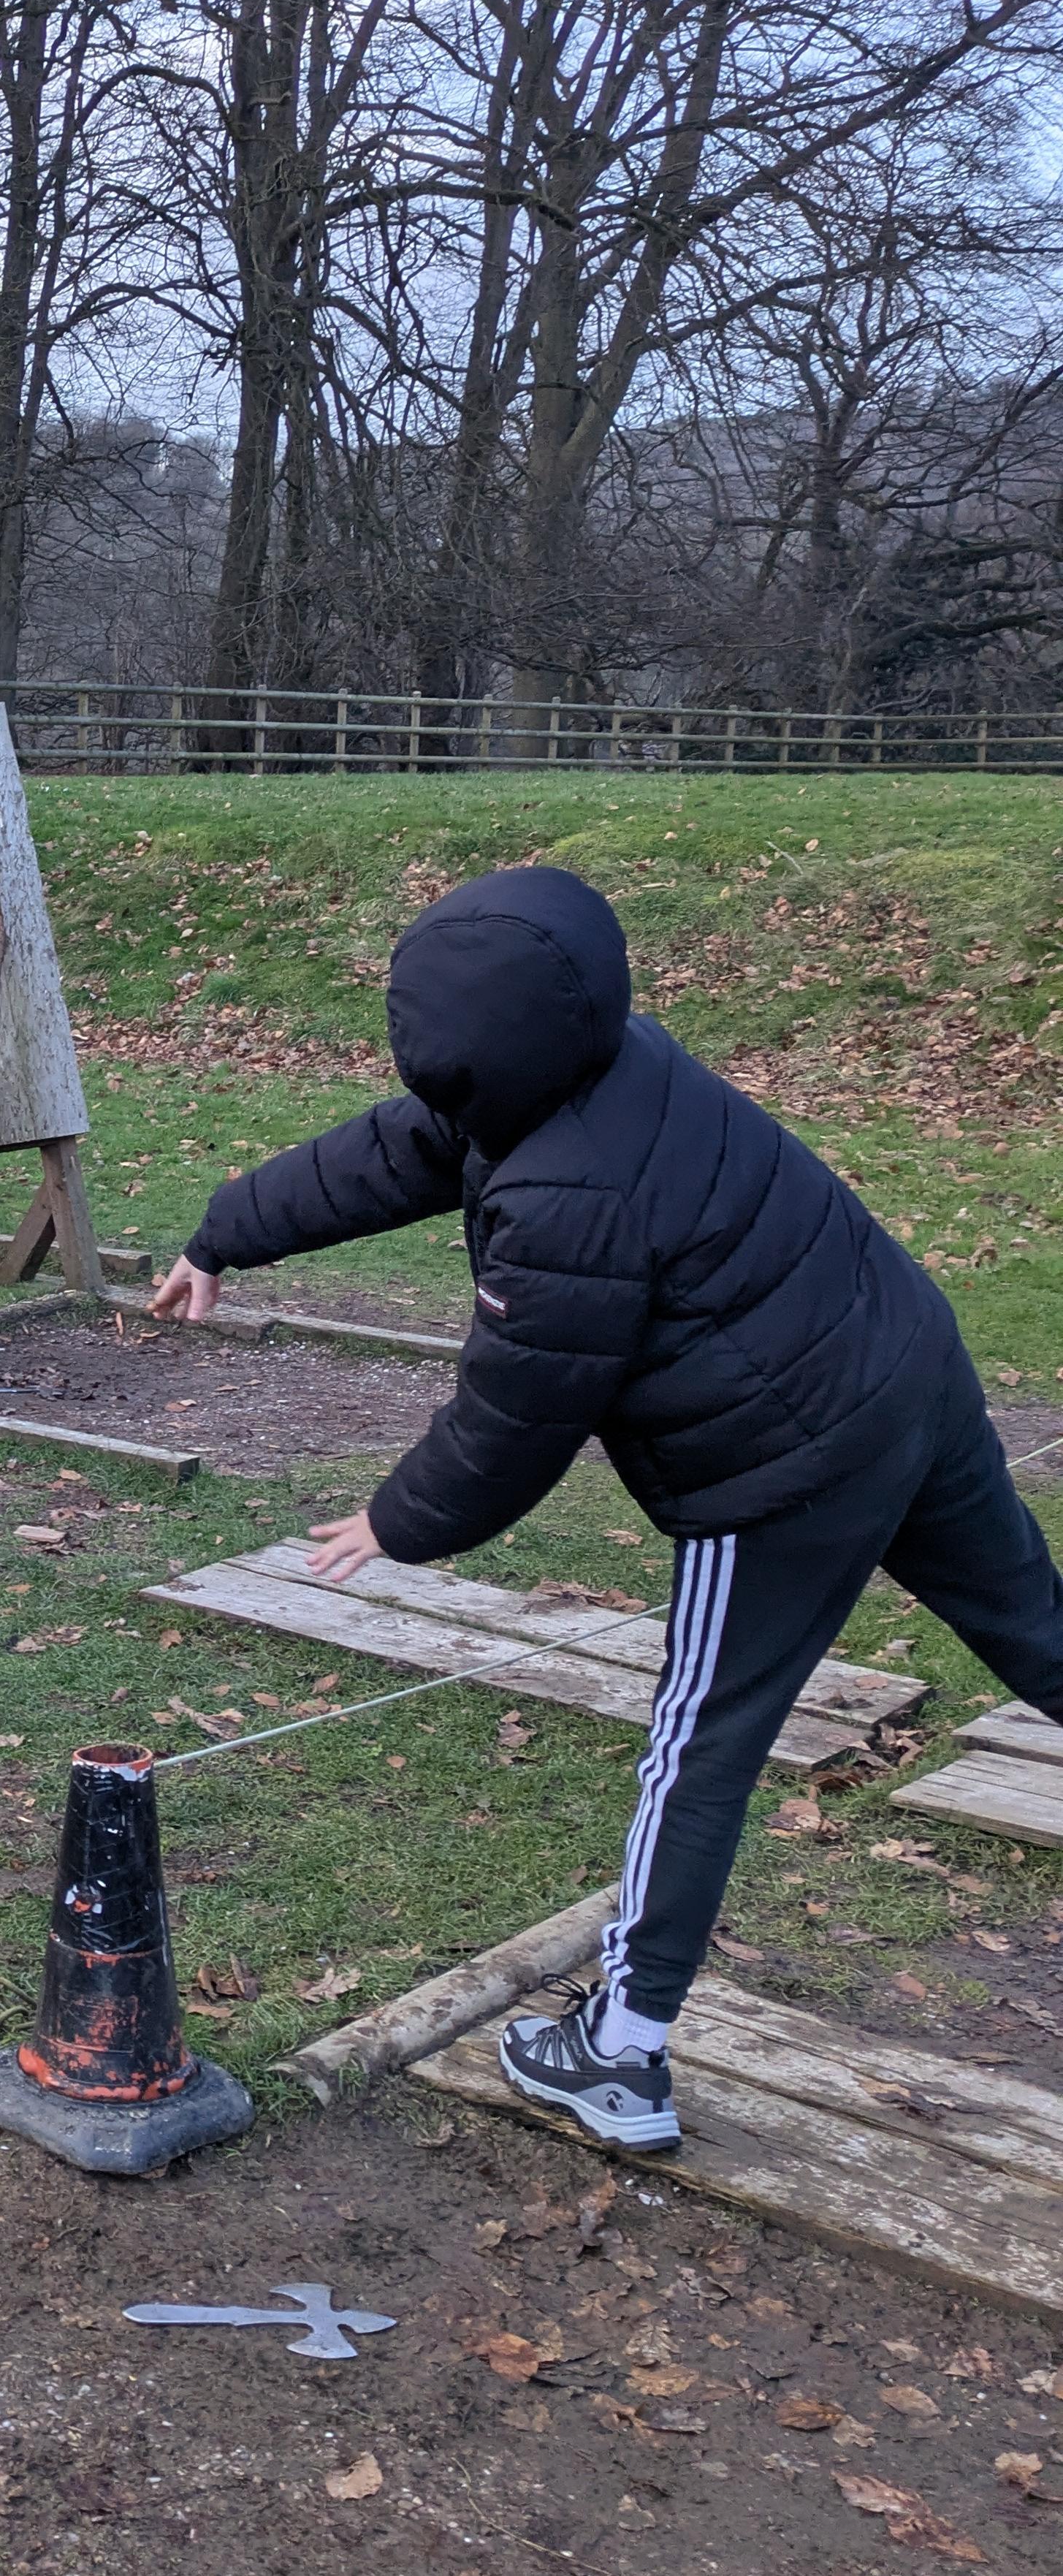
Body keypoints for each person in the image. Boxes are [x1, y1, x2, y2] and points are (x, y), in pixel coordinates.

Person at [149, 862, 1063, 2148]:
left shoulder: (564, 1195)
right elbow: (395, 1150)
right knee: (1033, 1625)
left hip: (788, 1465)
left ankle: (623, 2053)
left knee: (701, 1743)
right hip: (903, 1360)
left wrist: (399, 1521)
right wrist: (224, 1235)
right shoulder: (610, 1063)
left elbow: (515, 1416)